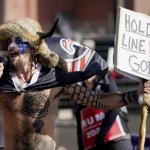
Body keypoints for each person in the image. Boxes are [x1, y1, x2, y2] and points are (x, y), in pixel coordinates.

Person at [0, 18, 149, 150]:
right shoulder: (3, 79)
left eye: (18, 40)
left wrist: (136, 94)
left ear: (33, 46)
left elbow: (97, 101)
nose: (11, 46)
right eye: (8, 41)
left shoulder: (54, 78)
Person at [74, 75, 133, 150]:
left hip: (117, 139)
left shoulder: (106, 81)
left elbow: (115, 107)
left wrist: (102, 134)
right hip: (95, 145)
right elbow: (80, 126)